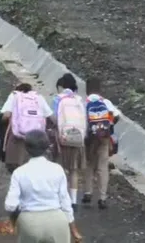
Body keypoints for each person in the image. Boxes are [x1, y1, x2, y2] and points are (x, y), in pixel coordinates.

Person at [4, 130, 83, 243]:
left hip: (30, 223)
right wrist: (74, 230)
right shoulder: (57, 169)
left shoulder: (19, 172)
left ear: (26, 148)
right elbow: (65, 203)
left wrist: (13, 220)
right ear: (47, 147)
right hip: (57, 222)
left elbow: (10, 205)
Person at [82, 77, 121, 210]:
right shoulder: (106, 102)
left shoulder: (85, 102)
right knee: (102, 167)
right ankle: (102, 198)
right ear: (100, 89)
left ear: (87, 90)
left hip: (90, 139)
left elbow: (83, 121)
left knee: (89, 165)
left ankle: (88, 192)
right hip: (104, 138)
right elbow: (117, 115)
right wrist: (108, 126)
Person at [51, 73, 87, 210]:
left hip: (62, 138)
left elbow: (54, 118)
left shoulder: (58, 99)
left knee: (61, 169)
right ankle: (73, 201)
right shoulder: (79, 100)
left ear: (62, 86)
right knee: (74, 170)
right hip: (78, 137)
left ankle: (61, 199)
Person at [1, 83, 53, 172]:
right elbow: (50, 116)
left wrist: (2, 121)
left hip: (17, 136)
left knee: (16, 167)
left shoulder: (14, 95)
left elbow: (7, 114)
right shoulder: (38, 97)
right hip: (35, 137)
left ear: (18, 89)